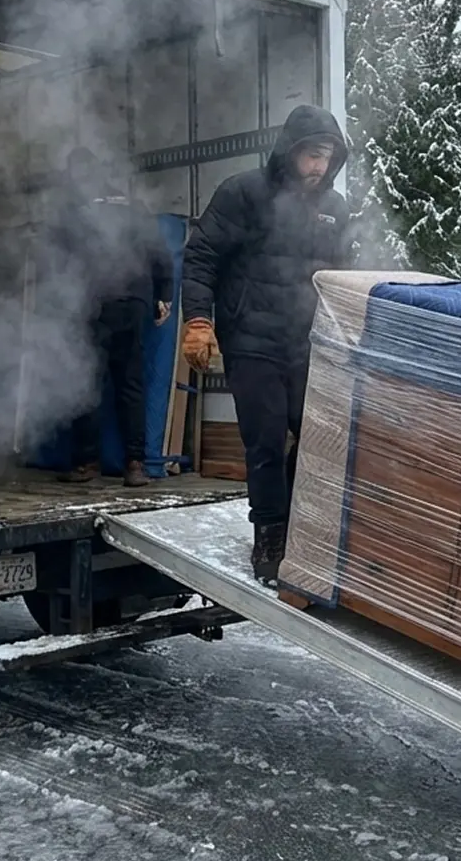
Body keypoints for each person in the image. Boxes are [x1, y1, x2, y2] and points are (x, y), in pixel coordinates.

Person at [179, 105, 354, 585]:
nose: (319, 166)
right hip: (251, 340)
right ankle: (270, 536)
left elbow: (341, 279)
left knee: (319, 436)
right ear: (291, 151)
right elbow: (201, 255)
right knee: (266, 440)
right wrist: (198, 320)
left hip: (306, 342)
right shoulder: (243, 193)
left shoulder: (334, 210)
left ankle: (298, 521)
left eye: (328, 156)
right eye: (312, 155)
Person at [51, 146, 172, 488]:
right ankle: (135, 464)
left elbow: (57, 262)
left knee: (86, 385)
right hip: (132, 303)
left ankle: (86, 463)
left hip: (90, 304)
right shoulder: (135, 209)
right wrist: (164, 296)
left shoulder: (73, 213)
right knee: (130, 384)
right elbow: (161, 254)